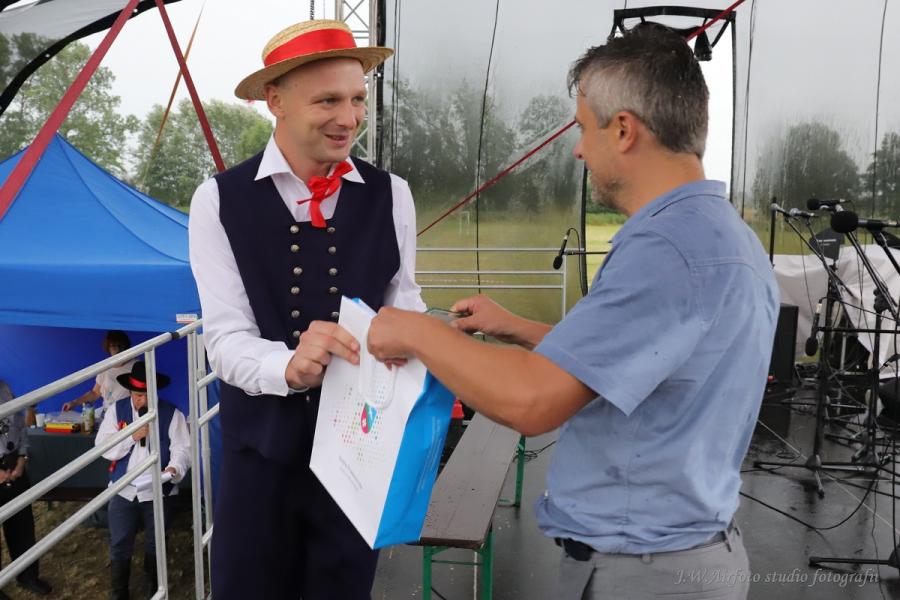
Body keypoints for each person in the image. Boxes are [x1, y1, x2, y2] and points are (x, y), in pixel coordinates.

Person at [367, 24, 780, 600]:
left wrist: (415, 331)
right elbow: (641, 359)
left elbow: (532, 401)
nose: (579, 148)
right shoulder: (717, 233)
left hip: (644, 573)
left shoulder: (666, 249)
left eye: (584, 128)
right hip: (682, 555)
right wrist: (515, 328)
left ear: (624, 130)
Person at [187, 19, 424, 600]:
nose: (349, 118)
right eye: (328, 101)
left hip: (358, 453)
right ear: (276, 101)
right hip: (259, 457)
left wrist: (420, 341)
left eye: (357, 99)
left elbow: (405, 302)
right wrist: (288, 367)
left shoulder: (392, 193)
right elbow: (225, 339)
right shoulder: (218, 199)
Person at [95, 362, 190, 600]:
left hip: (158, 489)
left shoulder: (172, 413)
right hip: (123, 487)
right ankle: (119, 593)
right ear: (130, 392)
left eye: (148, 395)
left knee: (156, 542)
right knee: (119, 541)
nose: (143, 400)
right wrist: (131, 436)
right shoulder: (116, 411)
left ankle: (155, 589)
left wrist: (175, 467)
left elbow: (182, 449)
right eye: (138, 395)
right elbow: (103, 447)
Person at [0, 379, 52, 599]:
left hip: (14, 464)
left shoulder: (5, 388)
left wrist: (22, 459)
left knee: (22, 525)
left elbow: (20, 426)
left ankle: (27, 575)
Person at [63, 330, 135, 414]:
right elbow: (95, 393)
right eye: (113, 346)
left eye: (120, 346)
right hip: (107, 414)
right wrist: (74, 403)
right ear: (108, 348)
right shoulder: (105, 366)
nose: (117, 350)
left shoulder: (136, 366)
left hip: (128, 415)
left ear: (125, 347)